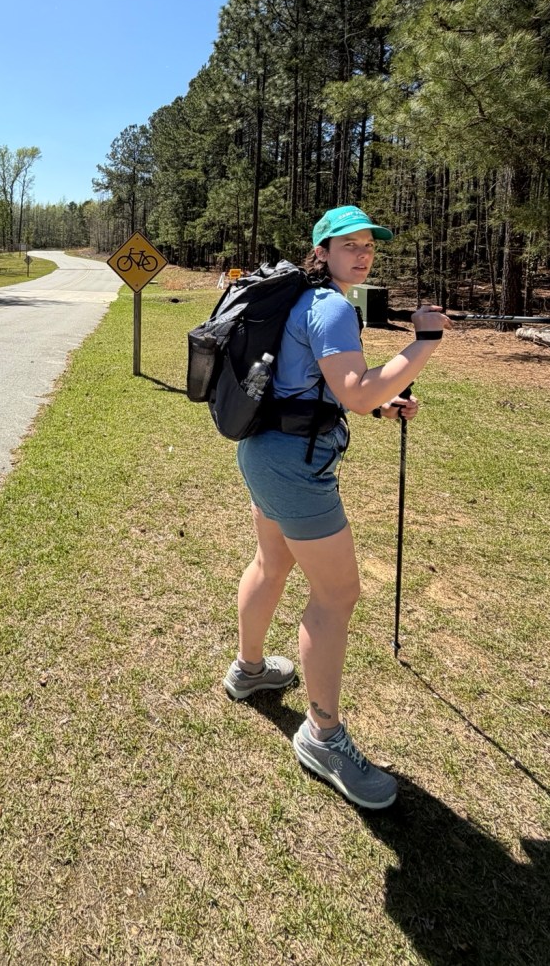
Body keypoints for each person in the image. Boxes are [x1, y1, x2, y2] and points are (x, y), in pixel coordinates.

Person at [222, 205, 451, 810]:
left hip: (265, 450)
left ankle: (250, 671)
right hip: (295, 467)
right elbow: (351, 392)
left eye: (369, 244)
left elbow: (324, 383)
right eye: (347, 244)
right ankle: (322, 736)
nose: (363, 253)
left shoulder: (306, 300)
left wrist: (382, 402)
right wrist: (422, 343)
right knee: (336, 596)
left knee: (271, 564)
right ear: (320, 251)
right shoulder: (332, 307)